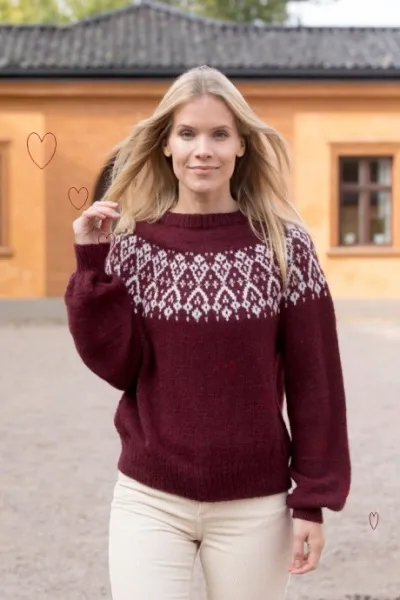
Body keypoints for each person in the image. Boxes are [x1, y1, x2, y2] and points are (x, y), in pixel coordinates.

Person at [64, 65, 351, 600]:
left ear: (241, 145)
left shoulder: (284, 247)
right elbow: (118, 365)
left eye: (219, 134)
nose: (203, 150)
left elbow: (316, 381)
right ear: (166, 145)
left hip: (255, 505)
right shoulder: (134, 245)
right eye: (187, 134)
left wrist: (312, 500)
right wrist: (92, 263)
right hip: (150, 497)